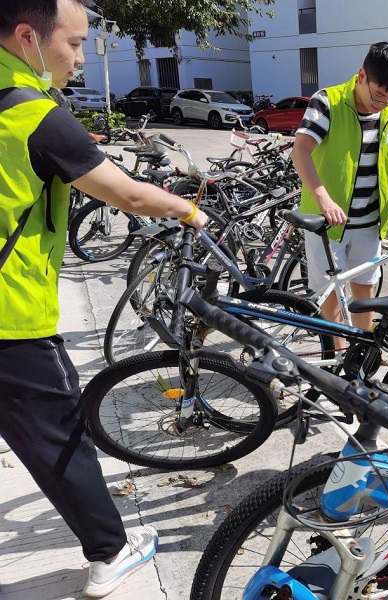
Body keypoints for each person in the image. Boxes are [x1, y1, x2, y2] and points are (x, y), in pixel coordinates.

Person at [0, 1, 208, 596]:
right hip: (11, 315)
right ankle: (111, 552)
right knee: (60, 437)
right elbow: (131, 196)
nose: (81, 58)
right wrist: (189, 210)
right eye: (73, 43)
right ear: (28, 36)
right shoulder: (34, 113)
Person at [293, 42, 388, 349]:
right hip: (328, 223)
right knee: (332, 295)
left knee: (365, 290)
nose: (384, 103)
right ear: (362, 76)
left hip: (369, 220)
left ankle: (361, 352)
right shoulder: (327, 101)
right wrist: (323, 198)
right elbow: (301, 151)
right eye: (379, 95)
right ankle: (339, 358)